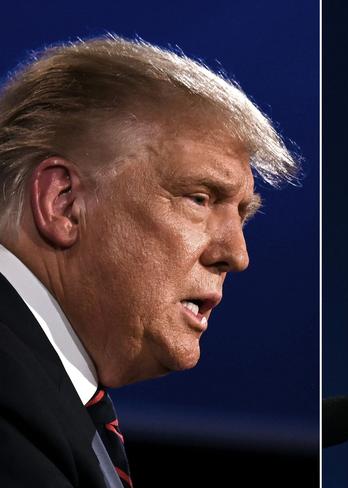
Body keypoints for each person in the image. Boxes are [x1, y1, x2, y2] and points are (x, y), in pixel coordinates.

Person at [0, 35, 297, 487]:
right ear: (63, 203)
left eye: (242, 215)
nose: (237, 256)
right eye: (199, 198)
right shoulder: (11, 391)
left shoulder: (42, 390)